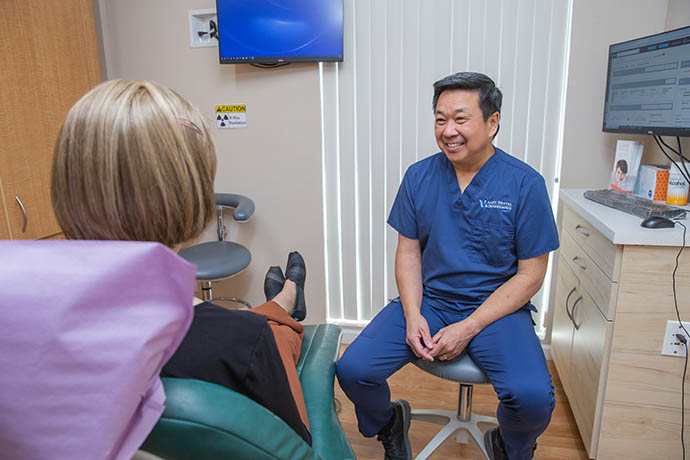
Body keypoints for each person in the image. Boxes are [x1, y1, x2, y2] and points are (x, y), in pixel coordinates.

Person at [50, 79, 312, 445]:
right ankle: (287, 301)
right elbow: (297, 448)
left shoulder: (28, 327)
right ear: (189, 194)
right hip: (247, 342)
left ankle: (283, 301)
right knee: (272, 333)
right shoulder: (238, 342)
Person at [336, 72, 559, 460]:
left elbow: (531, 275)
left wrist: (470, 326)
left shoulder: (525, 184)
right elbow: (407, 253)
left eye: (460, 118)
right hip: (432, 301)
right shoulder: (419, 176)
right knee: (354, 369)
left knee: (533, 399)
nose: (448, 130)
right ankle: (389, 423)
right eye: (440, 119)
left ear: (493, 122)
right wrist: (411, 315)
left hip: (495, 310)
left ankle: (511, 444)